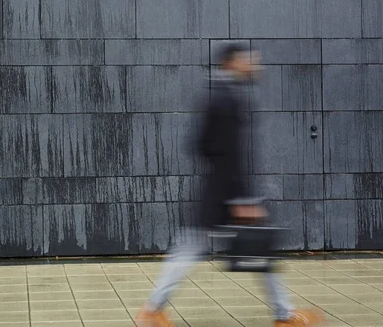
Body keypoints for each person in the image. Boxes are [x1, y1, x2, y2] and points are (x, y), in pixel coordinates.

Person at [134, 44, 325, 327]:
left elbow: (200, 146)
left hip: (218, 192)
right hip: (227, 195)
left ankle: (283, 314)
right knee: (221, 251)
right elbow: (229, 153)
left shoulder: (220, 96)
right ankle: (284, 316)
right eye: (249, 61)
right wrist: (241, 200)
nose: (255, 65)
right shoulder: (226, 100)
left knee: (204, 251)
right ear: (232, 62)